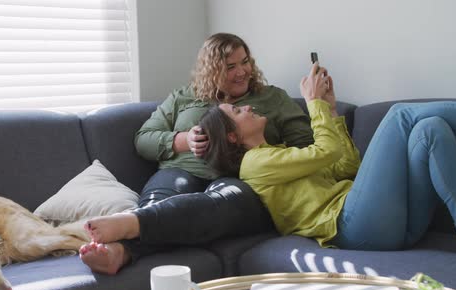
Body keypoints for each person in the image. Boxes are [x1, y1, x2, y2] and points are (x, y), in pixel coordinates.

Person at [79, 33, 315, 274]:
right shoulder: (184, 97)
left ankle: (128, 237)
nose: (242, 71)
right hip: (181, 170)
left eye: (245, 62)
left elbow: (306, 145)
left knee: (224, 203)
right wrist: (183, 140)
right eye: (230, 67)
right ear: (211, 70)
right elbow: (143, 139)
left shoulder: (272, 98)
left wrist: (264, 151)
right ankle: (120, 249)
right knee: (162, 198)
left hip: (242, 178)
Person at [198, 62, 456, 254]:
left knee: (430, 128)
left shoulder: (279, 152)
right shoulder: (254, 165)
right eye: (236, 112)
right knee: (399, 114)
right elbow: (326, 151)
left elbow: (347, 167)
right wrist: (313, 103)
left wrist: (329, 110)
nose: (245, 107)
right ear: (232, 137)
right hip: (354, 229)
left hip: (395, 227)